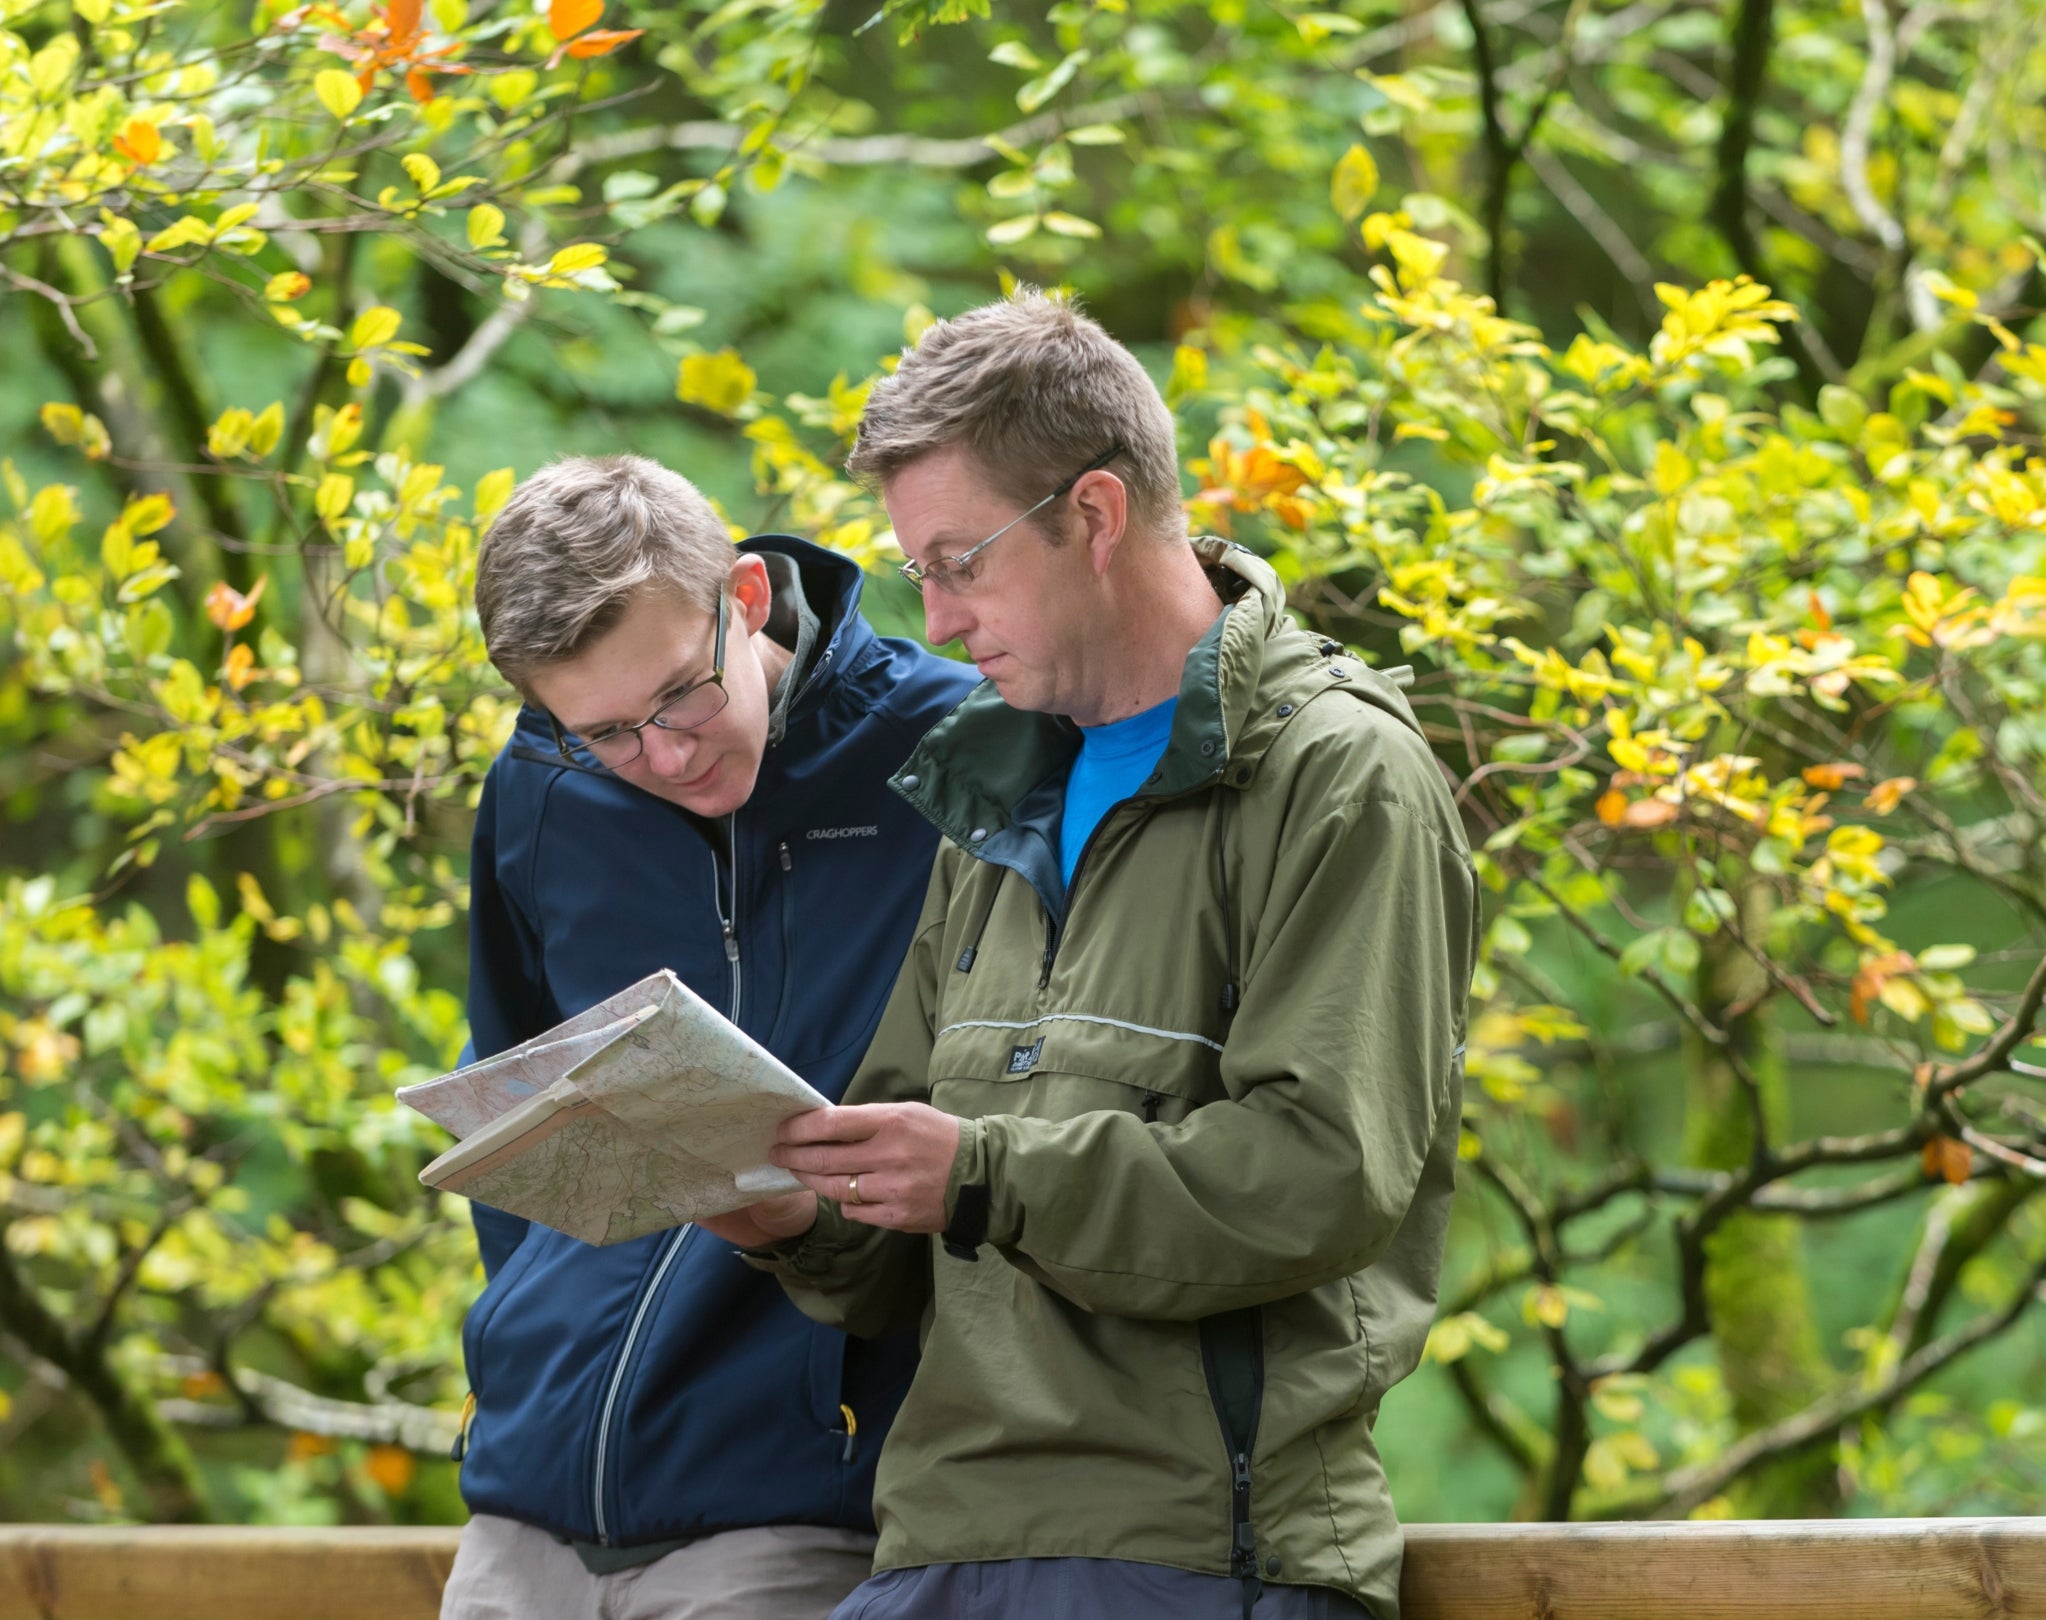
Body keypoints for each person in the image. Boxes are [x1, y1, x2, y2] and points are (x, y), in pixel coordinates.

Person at [699, 290, 1476, 1620]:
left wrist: (986, 1174)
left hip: (1193, 1561)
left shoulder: (1340, 774)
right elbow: (909, 1214)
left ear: (1097, 517)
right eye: (918, 577)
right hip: (935, 1548)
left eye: (960, 565)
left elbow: (1321, 1176)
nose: (938, 624)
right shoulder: (990, 801)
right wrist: (793, 1218)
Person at [443, 455, 980, 1620]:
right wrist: (523, 1353)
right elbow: (520, 1108)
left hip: (795, 1493)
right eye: (608, 733)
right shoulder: (542, 789)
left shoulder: (958, 754)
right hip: (523, 1504)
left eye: (680, 696)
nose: (667, 756)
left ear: (742, 599)